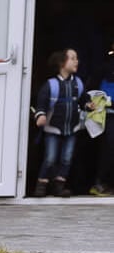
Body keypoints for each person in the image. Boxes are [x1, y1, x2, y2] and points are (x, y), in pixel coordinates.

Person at [33, 49, 94, 197]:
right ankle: (42, 185)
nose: (76, 61)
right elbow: (41, 103)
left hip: (72, 128)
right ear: (61, 63)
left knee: (67, 158)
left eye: (77, 58)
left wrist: (88, 105)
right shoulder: (51, 85)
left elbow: (83, 99)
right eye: (72, 58)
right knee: (50, 157)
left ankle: (59, 186)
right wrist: (40, 115)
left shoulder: (78, 84)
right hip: (52, 128)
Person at [89, 42, 114, 197]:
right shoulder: (105, 68)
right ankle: (100, 183)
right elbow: (94, 91)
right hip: (107, 115)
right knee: (108, 148)